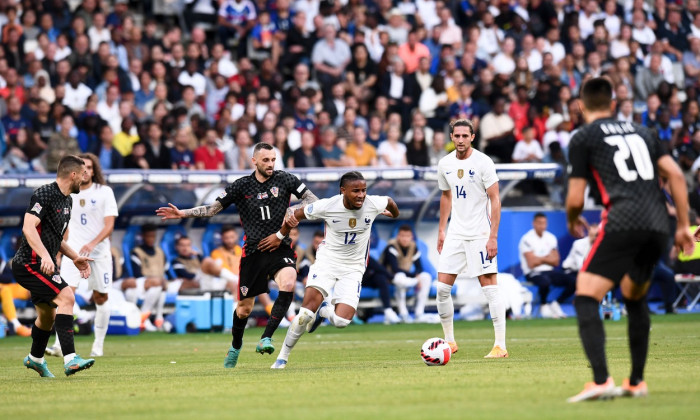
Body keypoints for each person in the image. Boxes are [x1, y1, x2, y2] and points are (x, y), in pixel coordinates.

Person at [565, 77, 694, 402]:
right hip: (657, 224)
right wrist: (682, 224)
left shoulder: (583, 137)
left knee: (585, 296)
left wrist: (571, 218)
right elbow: (676, 175)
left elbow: (575, 197)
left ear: (581, 106)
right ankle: (636, 382)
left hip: (623, 221)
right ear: (612, 104)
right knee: (634, 296)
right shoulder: (644, 132)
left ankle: (600, 380)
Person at [156, 142, 319, 368]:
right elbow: (213, 209)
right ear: (254, 161)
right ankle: (235, 346)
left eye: (273, 160)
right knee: (244, 309)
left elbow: (314, 200)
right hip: (253, 251)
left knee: (288, 283)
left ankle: (266, 337)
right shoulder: (241, 186)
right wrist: (182, 213)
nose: (270, 164)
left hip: (280, 245)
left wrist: (293, 211)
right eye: (266, 160)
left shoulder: (286, 179)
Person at [268, 171, 400, 369]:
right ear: (343, 191)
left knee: (340, 321)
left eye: (364, 190)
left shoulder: (373, 204)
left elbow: (389, 201)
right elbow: (295, 215)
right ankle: (282, 357)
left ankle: (325, 311)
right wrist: (279, 237)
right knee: (304, 314)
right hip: (327, 263)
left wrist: (394, 215)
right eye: (355, 191)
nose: (361, 195)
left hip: (354, 269)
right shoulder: (327, 206)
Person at [11, 155, 95, 377]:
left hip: (43, 265)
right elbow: (29, 228)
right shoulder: (44, 193)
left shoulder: (68, 200)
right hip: (29, 264)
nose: (86, 178)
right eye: (84, 173)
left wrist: (75, 257)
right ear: (73, 174)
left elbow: (55, 238)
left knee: (47, 316)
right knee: (67, 297)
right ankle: (70, 359)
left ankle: (35, 359)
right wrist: (45, 257)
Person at [435, 119, 507, 358]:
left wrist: (493, 236)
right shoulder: (444, 164)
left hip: (479, 234)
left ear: (473, 137)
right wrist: (442, 230)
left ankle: (500, 346)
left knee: (490, 289)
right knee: (442, 289)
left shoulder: (484, 162)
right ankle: (450, 342)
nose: (461, 140)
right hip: (455, 233)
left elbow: (495, 199)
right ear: (452, 137)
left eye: (465, 136)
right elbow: (446, 196)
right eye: (457, 136)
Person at [45, 153, 118, 358]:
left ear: (94, 171)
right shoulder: (68, 194)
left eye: (89, 167)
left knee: (100, 296)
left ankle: (98, 344)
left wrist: (93, 243)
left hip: (99, 253)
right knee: (66, 295)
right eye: (82, 167)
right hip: (74, 253)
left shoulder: (104, 192)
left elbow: (109, 225)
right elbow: (66, 227)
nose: (86, 171)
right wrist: (60, 252)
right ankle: (60, 345)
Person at [518, 213, 576, 319]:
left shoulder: (551, 237)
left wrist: (539, 258)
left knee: (574, 281)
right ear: (534, 223)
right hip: (532, 272)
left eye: (544, 223)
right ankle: (543, 304)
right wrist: (547, 258)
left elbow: (556, 262)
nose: (542, 226)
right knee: (544, 282)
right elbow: (531, 263)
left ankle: (557, 303)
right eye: (539, 223)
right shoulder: (526, 239)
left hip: (549, 271)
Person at [381, 225, 432, 323]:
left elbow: (419, 267)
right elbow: (395, 269)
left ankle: (419, 313)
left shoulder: (413, 246)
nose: (405, 239)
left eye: (407, 236)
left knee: (426, 277)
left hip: (408, 278)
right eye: (402, 236)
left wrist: (416, 277)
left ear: (411, 237)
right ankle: (403, 313)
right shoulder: (391, 246)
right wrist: (415, 279)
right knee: (401, 277)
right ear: (398, 236)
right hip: (391, 278)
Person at [172, 236, 238, 295]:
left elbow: (204, 262)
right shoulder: (176, 261)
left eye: (188, 245)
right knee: (207, 261)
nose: (185, 248)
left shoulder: (196, 258)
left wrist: (197, 255)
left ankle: (235, 306)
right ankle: (236, 278)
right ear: (177, 247)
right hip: (198, 282)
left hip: (208, 280)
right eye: (182, 245)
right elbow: (186, 275)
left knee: (232, 284)